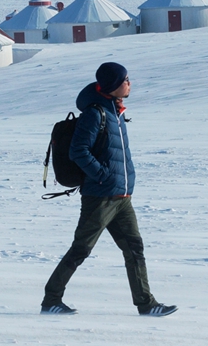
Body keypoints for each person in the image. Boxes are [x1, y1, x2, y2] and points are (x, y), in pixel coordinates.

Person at [41, 61, 177, 317]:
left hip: (122, 198)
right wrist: (102, 175)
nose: (129, 83)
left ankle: (146, 304)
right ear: (114, 85)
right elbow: (78, 151)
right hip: (100, 197)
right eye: (126, 79)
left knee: (134, 249)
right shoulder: (96, 114)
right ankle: (51, 299)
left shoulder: (115, 111)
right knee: (81, 249)